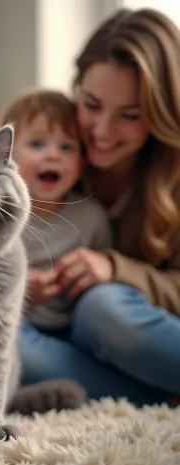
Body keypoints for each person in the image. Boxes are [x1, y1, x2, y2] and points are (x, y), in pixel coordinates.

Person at [20, 7, 180, 406]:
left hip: (132, 331)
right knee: (1, 340)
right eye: (91, 105)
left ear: (162, 116)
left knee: (102, 307)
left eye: (129, 116)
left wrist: (115, 269)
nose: (102, 132)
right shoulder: (47, 155)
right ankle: (157, 395)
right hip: (54, 342)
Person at [1, 88, 112, 330]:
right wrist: (18, 285)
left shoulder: (91, 216)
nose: (53, 155)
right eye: (38, 143)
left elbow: (106, 279)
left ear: (82, 163)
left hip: (79, 327)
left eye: (66, 147)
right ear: (5, 155)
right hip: (19, 325)